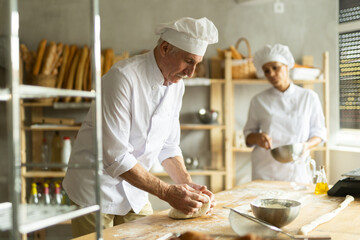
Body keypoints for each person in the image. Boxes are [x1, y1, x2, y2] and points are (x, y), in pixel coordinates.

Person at [62, 17, 218, 237]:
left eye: (197, 63)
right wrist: (168, 192)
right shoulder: (123, 78)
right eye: (188, 61)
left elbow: (169, 146)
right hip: (95, 189)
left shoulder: (176, 86)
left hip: (136, 190)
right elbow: (115, 157)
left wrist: (190, 188)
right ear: (165, 48)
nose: (191, 73)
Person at [243, 44, 326, 183]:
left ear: (286, 66)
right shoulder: (258, 100)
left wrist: (306, 146)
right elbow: (248, 136)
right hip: (265, 170)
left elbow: (319, 132)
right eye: (266, 70)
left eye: (275, 67)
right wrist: (258, 138)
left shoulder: (309, 97)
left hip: (298, 169)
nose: (271, 74)